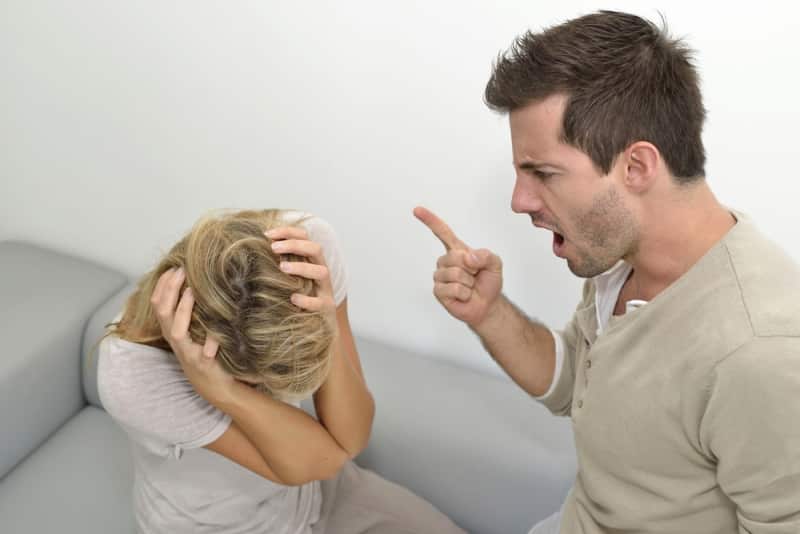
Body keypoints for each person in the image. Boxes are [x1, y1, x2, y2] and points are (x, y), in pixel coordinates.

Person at [415, 10, 800, 534]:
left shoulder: (759, 351)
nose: (519, 201)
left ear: (636, 167)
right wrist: (488, 313)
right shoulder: (620, 258)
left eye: (543, 173)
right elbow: (577, 381)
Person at [97, 208, 465, 534]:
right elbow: (315, 463)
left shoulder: (308, 253)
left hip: (318, 493)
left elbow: (349, 442)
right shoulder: (131, 372)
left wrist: (326, 322)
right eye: (254, 384)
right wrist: (222, 392)